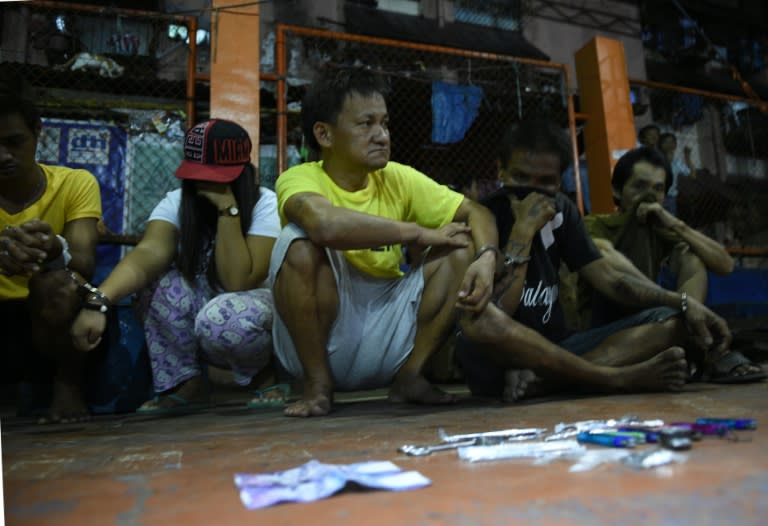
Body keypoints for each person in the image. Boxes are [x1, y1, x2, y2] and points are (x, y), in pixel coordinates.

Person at [269, 66, 499, 417]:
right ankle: (317, 385)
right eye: (366, 124)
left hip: (386, 329)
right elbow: (325, 225)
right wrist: (418, 233)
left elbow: (477, 213)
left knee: (462, 246)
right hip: (325, 334)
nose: (381, 135)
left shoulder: (398, 178)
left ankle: (410, 376)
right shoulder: (299, 178)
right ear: (324, 135)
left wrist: (486, 257)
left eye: (385, 123)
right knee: (298, 241)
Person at [456, 120, 732, 402]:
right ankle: (609, 378)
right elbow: (497, 312)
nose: (533, 192)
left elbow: (612, 282)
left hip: (557, 348)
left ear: (560, 180)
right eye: (521, 178)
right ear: (500, 170)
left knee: (673, 322)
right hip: (499, 357)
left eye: (546, 182)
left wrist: (685, 303)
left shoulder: (563, 210)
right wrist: (522, 233)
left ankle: (549, 382)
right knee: (482, 325)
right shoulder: (484, 216)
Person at [71, 119, 283, 413]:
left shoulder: (265, 204)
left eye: (216, 176)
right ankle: (187, 382)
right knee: (155, 283)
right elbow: (148, 254)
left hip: (253, 306)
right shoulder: (177, 202)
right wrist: (99, 302)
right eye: (199, 174)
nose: (204, 183)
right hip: (206, 303)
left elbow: (238, 281)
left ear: (240, 174)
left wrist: (228, 210)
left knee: (225, 317)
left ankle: (264, 376)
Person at [583, 146, 765, 383]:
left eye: (657, 189)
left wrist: (675, 224)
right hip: (604, 325)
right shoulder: (595, 224)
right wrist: (674, 301)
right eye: (639, 186)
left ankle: (688, 328)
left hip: (656, 321)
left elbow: (725, 265)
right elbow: (605, 261)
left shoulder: (662, 230)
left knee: (691, 255)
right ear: (617, 190)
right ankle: (696, 339)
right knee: (602, 250)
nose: (648, 196)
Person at [0, 74, 101, 423]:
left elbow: (85, 262)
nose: (3, 156)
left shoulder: (75, 182)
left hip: (45, 325)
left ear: (37, 133)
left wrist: (53, 249)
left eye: (14, 141)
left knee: (59, 283)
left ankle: (68, 387)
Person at [658, 132, 696, 215]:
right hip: (657, 196)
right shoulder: (656, 160)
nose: (669, 145)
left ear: (675, 145)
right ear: (660, 145)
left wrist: (687, 156)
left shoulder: (676, 163)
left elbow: (692, 175)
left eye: (672, 142)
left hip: (671, 197)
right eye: (666, 142)